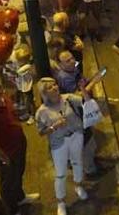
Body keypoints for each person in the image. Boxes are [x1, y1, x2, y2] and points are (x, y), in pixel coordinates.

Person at [0, 75, 39, 215]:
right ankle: (11, 210)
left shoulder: (4, 98)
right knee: (8, 183)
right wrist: (3, 159)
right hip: (6, 153)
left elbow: (13, 115)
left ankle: (20, 197)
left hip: (18, 144)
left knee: (18, 174)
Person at [35, 77, 90, 215]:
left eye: (54, 84)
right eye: (49, 87)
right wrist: (54, 127)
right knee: (60, 174)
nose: (55, 87)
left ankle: (78, 186)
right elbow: (41, 132)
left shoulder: (69, 98)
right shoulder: (42, 111)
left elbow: (86, 101)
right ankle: (61, 201)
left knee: (77, 162)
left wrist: (83, 88)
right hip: (59, 142)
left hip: (76, 135)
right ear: (44, 93)